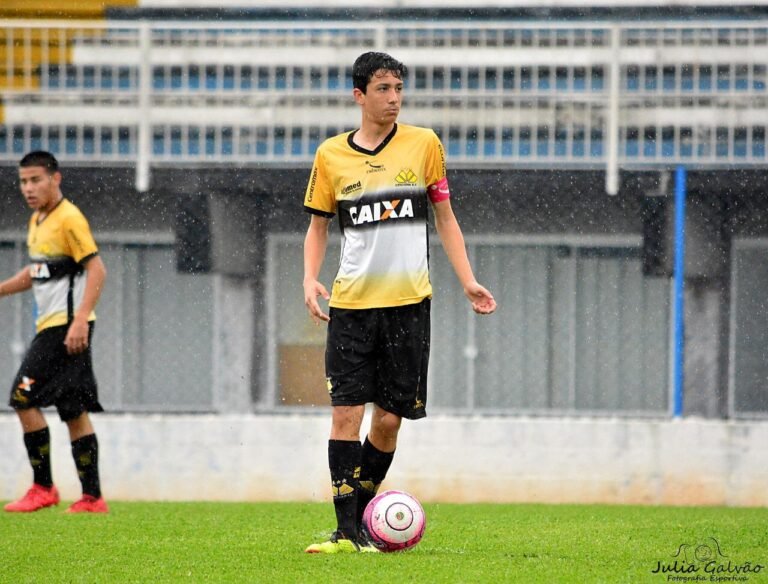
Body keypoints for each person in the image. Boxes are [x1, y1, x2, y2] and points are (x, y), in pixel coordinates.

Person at [302, 52, 496, 553]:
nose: (394, 97)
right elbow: (318, 226)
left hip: (409, 305)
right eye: (384, 88)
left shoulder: (423, 144)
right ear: (359, 95)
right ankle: (346, 533)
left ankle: (365, 519)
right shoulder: (330, 156)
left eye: (398, 88)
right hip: (351, 307)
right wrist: (309, 278)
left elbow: (445, 218)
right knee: (345, 414)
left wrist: (468, 280)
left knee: (388, 421)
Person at [1, 151, 108, 514]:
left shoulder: (69, 219)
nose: (28, 188)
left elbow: (97, 270)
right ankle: (92, 498)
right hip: (57, 326)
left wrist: (79, 320)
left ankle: (43, 487)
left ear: (55, 179)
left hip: (64, 328)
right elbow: (36, 273)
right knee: (72, 408)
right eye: (23, 181)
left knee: (21, 397)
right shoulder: (38, 220)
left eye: (35, 180)